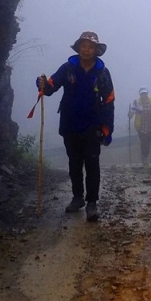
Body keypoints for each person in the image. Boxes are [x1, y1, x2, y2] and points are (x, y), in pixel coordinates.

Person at [37, 31, 115, 221]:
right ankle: (78, 197)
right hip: (70, 123)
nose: (86, 49)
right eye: (83, 45)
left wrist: (107, 127)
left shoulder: (102, 72)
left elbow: (109, 99)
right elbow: (51, 87)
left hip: (93, 125)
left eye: (90, 46)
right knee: (74, 163)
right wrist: (42, 84)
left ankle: (92, 203)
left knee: (92, 163)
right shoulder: (68, 69)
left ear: (96, 50)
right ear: (78, 48)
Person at [128, 87, 151, 165]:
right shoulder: (137, 103)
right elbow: (131, 113)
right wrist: (129, 114)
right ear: (140, 94)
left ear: (147, 94)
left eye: (145, 93)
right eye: (142, 94)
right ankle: (144, 157)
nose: (143, 95)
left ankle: (145, 157)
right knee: (143, 142)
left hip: (150, 126)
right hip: (140, 126)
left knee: (147, 142)